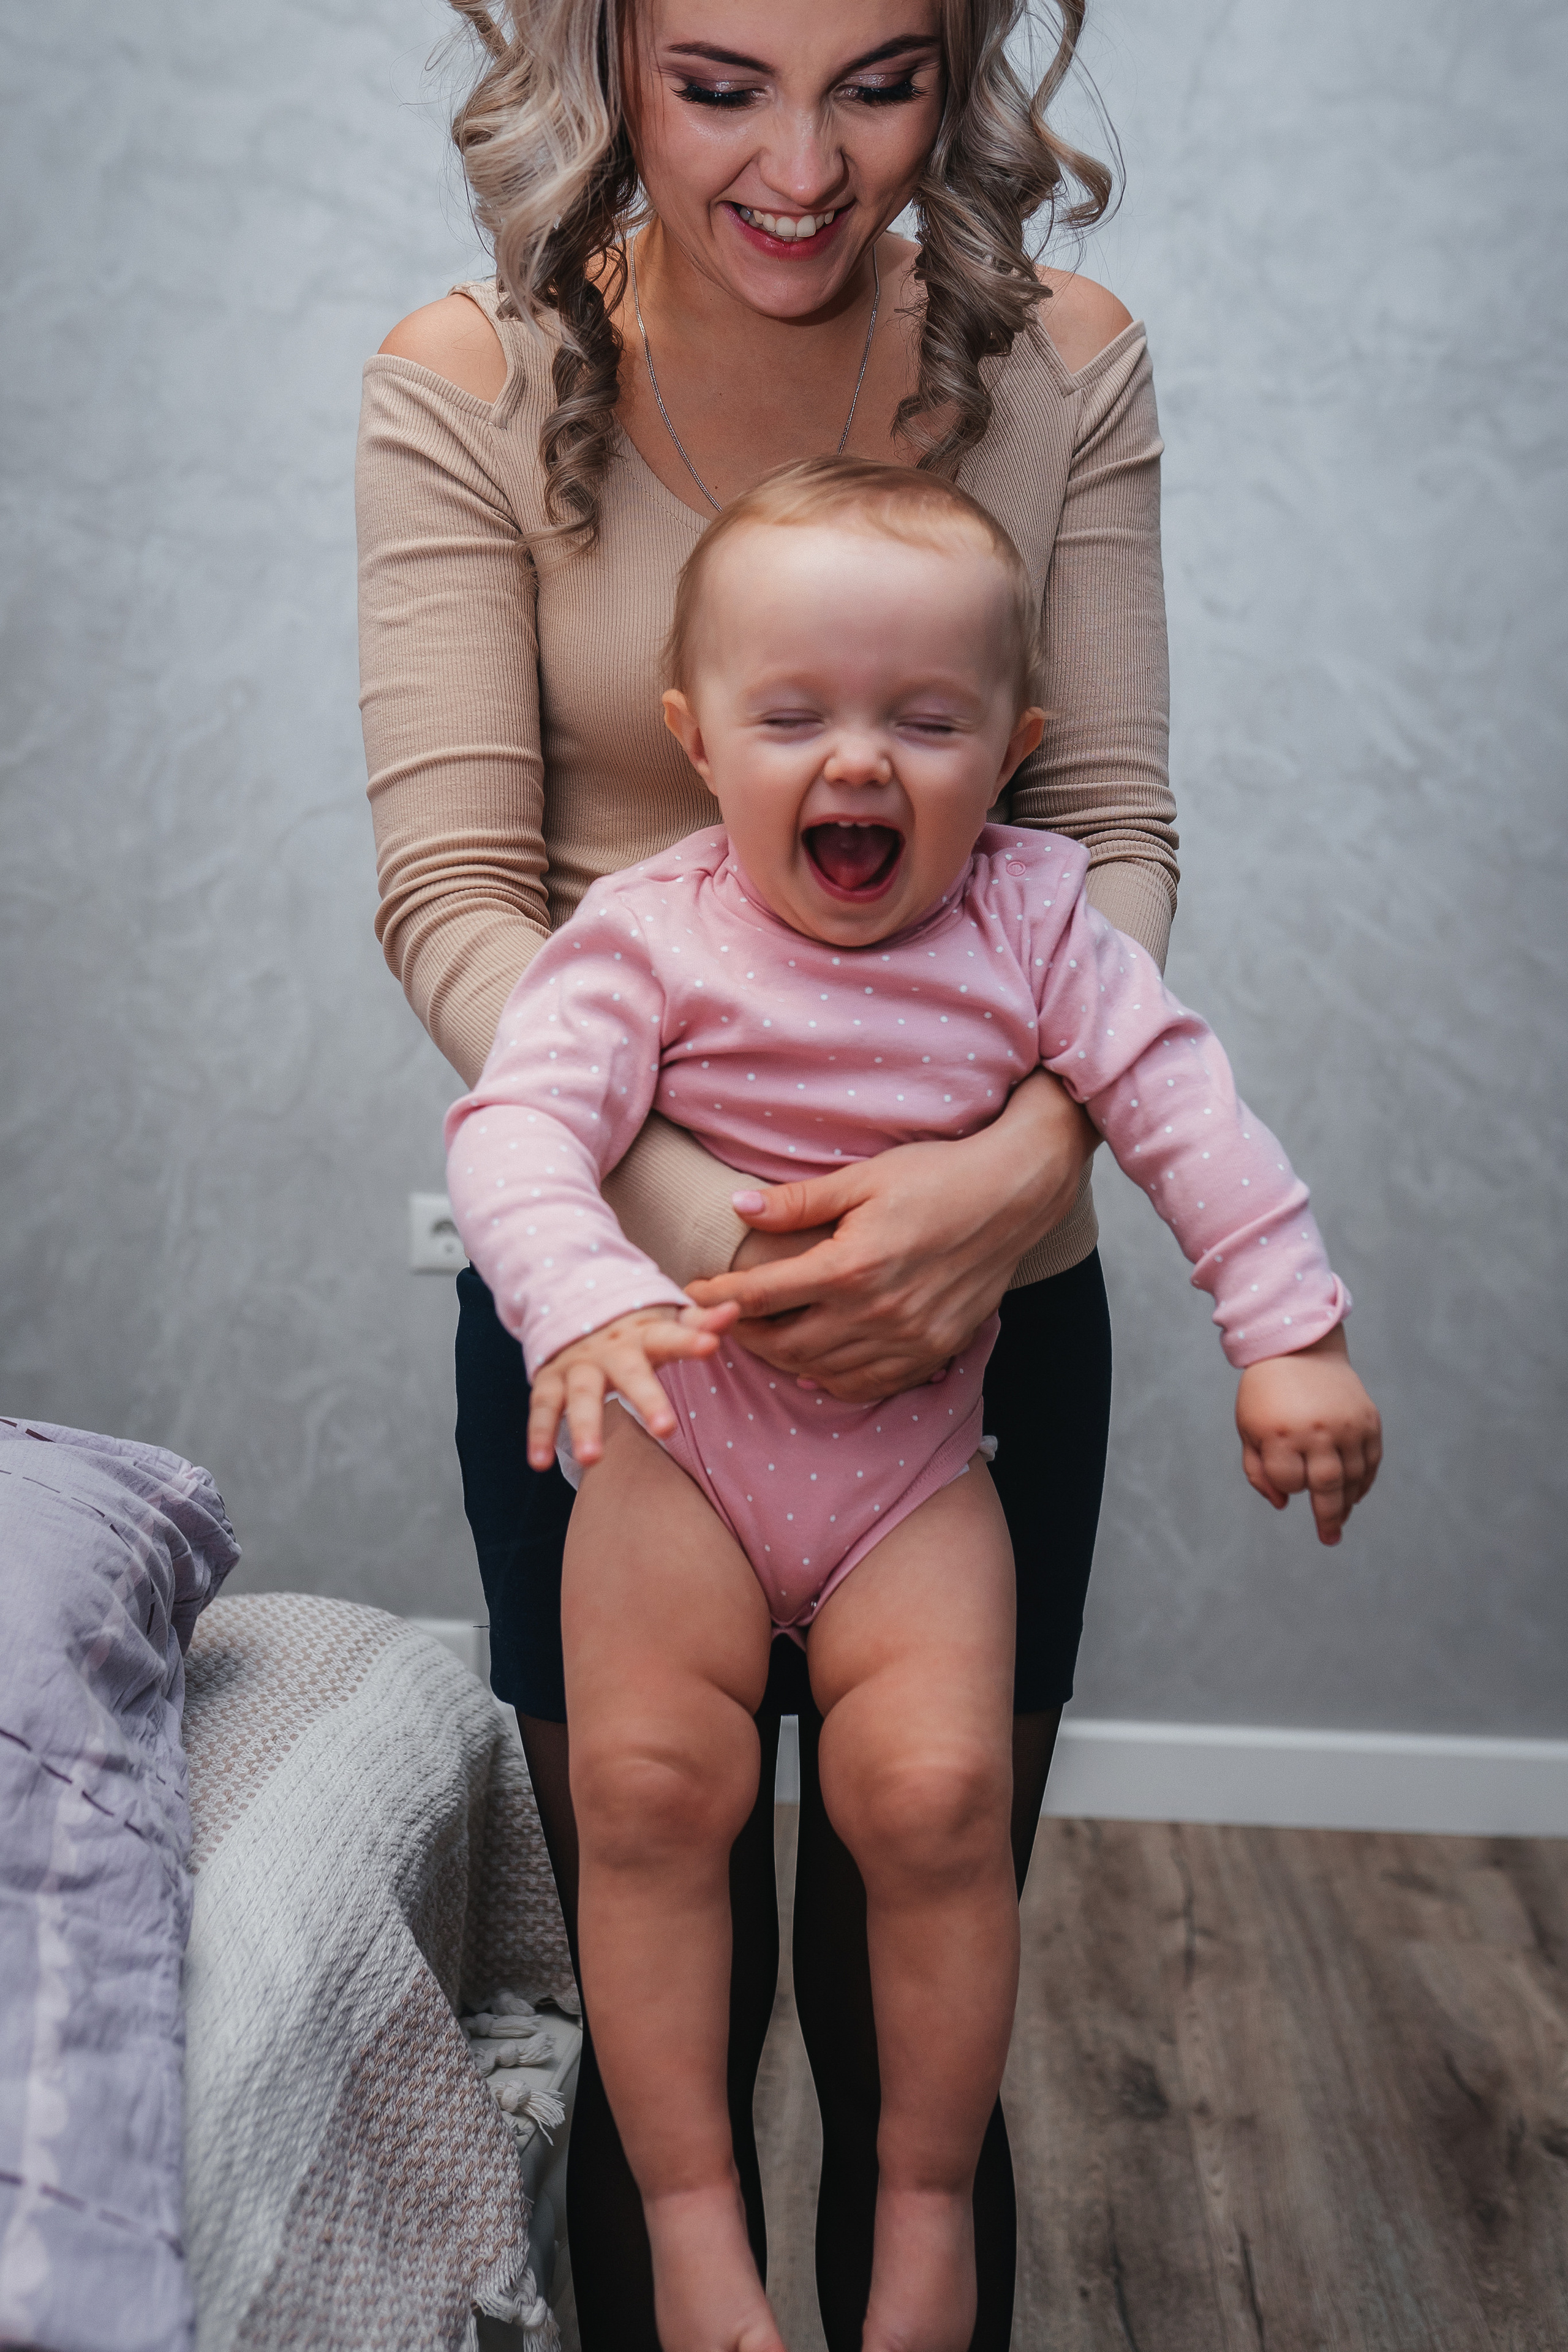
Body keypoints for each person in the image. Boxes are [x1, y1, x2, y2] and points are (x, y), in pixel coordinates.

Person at [358, 1, 1178, 2339]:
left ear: (965, 65)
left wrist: (999, 1202)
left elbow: (1113, 834)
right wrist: (727, 1238)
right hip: (620, 1327)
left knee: (925, 1947)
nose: (807, 166)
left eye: (882, 79)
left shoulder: (1061, 365)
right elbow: (454, 894)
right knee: (662, 2012)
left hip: (991, 1319)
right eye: (720, 82)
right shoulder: (472, 382)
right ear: (601, 52)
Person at [442, 460, 1382, 2352]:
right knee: (644, 1800)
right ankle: (697, 2221)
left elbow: (1185, 1108)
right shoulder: (645, 929)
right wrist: (589, 1296)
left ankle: (927, 2209)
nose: (857, 760)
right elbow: (520, 1124)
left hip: (912, 1480)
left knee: (940, 1802)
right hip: (684, 1456)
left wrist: (1289, 1334)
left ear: (1012, 747)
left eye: (925, 720)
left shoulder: (1039, 919)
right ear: (699, 741)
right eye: (796, 717)